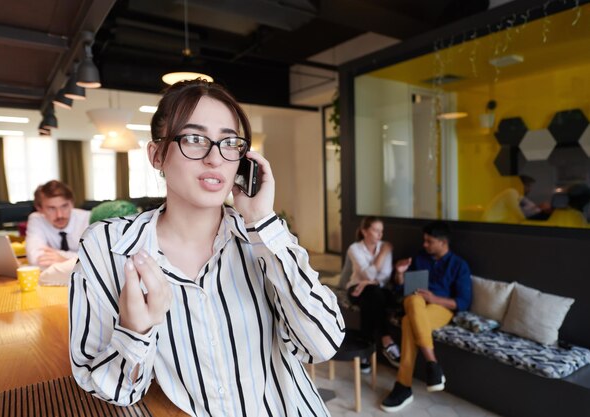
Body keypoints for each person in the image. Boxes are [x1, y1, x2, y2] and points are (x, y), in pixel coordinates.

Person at [69, 79, 345, 417]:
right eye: (195, 139)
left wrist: (262, 221)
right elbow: (109, 388)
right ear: (157, 155)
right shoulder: (107, 247)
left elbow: (322, 343)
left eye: (229, 143)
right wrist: (135, 330)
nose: (215, 158)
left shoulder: (263, 238)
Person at [381, 221, 471, 413]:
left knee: (407, 321)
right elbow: (400, 288)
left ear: (442, 242)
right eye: (424, 241)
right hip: (415, 304)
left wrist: (434, 298)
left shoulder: (459, 265)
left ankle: (403, 386)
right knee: (413, 301)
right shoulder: (419, 258)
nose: (425, 245)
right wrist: (399, 273)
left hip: (441, 308)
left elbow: (463, 302)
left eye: (429, 241)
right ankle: (432, 363)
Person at [346, 216, 400, 371]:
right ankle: (386, 339)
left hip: (377, 291)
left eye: (381, 231)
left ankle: (365, 350)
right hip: (356, 289)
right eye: (376, 230)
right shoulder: (354, 249)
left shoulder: (385, 246)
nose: (380, 235)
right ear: (364, 231)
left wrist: (368, 282)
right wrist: (382, 253)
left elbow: (385, 276)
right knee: (373, 295)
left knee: (372, 298)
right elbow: (369, 275)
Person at [25, 180, 90, 267]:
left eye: (64, 206)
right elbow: (35, 258)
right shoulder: (36, 219)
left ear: (72, 203)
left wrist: (64, 259)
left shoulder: (88, 219)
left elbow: (97, 259)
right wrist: (78, 259)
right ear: (39, 209)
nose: (59, 215)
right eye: (51, 208)